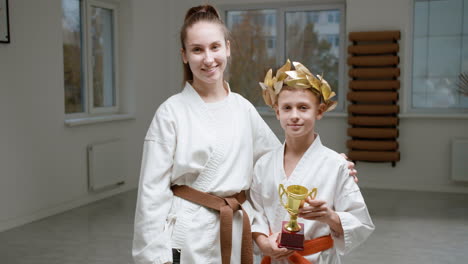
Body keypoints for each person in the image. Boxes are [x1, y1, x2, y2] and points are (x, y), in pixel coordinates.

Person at [132, 5, 357, 264]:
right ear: (184, 55)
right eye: (197, 49)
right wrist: (153, 258)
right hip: (188, 232)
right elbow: (151, 194)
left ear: (227, 48)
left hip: (235, 229)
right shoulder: (170, 113)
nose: (208, 59)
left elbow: (279, 163)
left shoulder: (242, 108)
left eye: (215, 47)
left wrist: (329, 163)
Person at [250, 61, 374, 264]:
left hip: (317, 258)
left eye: (303, 107)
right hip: (273, 257)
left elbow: (361, 223)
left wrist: (329, 216)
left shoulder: (336, 165)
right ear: (277, 111)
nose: (295, 116)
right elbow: (255, 214)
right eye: (287, 108)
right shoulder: (264, 165)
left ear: (320, 111)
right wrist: (263, 242)